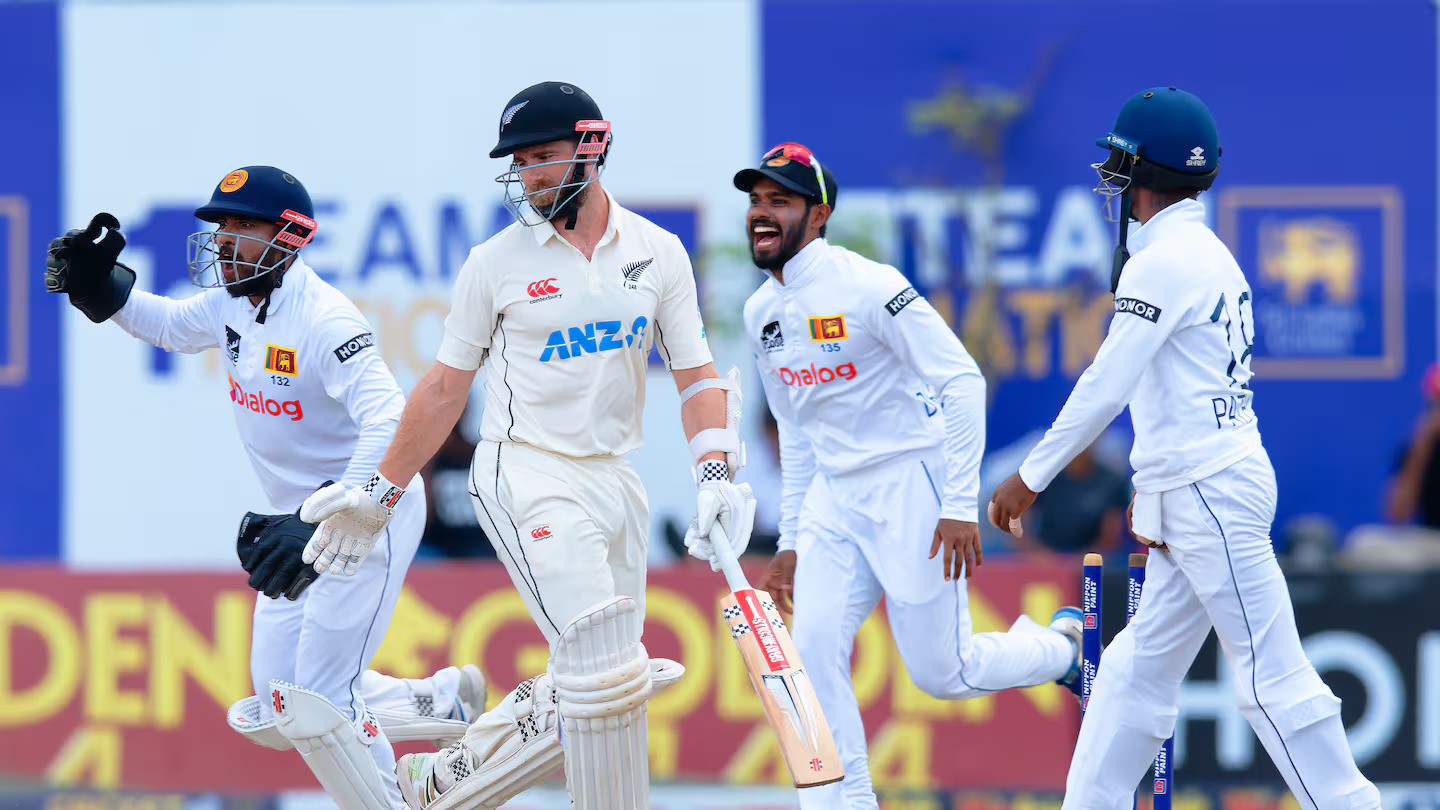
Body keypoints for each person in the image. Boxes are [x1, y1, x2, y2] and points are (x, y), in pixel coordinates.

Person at [296, 82, 750, 810]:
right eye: (521, 161)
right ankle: (458, 777)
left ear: (592, 147)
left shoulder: (658, 253)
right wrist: (379, 495)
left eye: (543, 157)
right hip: (523, 468)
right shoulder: (496, 262)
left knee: (613, 688)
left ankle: (443, 782)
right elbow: (444, 390)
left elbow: (696, 375)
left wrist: (716, 472)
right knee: (599, 663)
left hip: (614, 479)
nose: (530, 175)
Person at [43, 167, 484, 810]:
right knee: (281, 706)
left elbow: (390, 422)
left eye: (244, 225)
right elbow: (166, 325)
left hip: (363, 518)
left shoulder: (325, 319)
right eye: (221, 226)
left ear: (290, 237)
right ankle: (436, 702)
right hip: (293, 524)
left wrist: (339, 515)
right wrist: (103, 293)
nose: (225, 240)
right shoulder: (233, 301)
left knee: (325, 700)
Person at [988, 87, 1380, 809]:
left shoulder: (1163, 262)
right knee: (1137, 672)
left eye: (1120, 172)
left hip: (1209, 488)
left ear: (1145, 177)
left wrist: (1030, 477)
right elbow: (1179, 392)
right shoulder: (1206, 254)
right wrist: (1161, 485)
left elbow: (1110, 382)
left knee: (1271, 677)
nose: (1114, 187)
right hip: (1199, 484)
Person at [699, 142, 1080, 809]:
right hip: (833, 500)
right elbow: (796, 432)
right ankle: (847, 802)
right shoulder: (762, 316)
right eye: (756, 201)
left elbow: (962, 382)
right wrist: (789, 540)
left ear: (818, 215)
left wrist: (959, 504)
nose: (761, 215)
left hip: (912, 487)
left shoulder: (873, 288)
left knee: (944, 673)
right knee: (811, 649)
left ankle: (1062, 648)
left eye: (779, 202)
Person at [1016, 443, 1130, 556]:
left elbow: (1110, 538)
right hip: (1045, 558)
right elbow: (1018, 525)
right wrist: (1039, 555)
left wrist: (1084, 560)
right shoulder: (1044, 477)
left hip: (1092, 560)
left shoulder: (1112, 482)